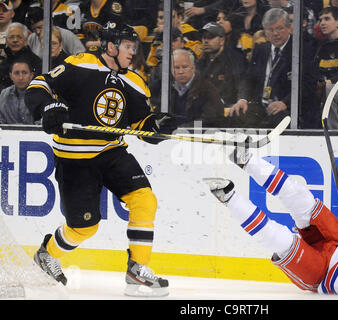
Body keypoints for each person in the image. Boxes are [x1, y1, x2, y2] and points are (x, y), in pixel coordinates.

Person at [25, 22, 176, 297]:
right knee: (84, 227)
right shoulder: (80, 64)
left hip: (111, 153)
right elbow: (39, 84)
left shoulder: (134, 81)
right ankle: (47, 254)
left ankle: (137, 268)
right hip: (74, 159)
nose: (133, 52)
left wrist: (157, 127)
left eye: (134, 47)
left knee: (145, 200)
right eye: (128, 47)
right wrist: (48, 107)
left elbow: (140, 125)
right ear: (110, 46)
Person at [203, 145, 338, 300]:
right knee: (301, 198)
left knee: (280, 238)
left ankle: (228, 197)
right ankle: (246, 159)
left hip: (322, 273)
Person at [227, 8, 292, 128]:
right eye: (270, 30)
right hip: (261, 106)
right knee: (236, 113)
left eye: (279, 28)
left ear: (289, 28)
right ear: (265, 32)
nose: (275, 33)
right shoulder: (261, 49)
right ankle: (240, 147)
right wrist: (242, 99)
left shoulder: (299, 50)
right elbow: (248, 79)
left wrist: (285, 103)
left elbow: (306, 86)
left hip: (285, 108)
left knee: (279, 119)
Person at [170, 48, 225, 127]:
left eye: (185, 67)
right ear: (171, 70)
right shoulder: (167, 89)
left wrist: (183, 128)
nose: (180, 72)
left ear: (193, 68)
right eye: (176, 68)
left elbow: (210, 120)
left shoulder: (207, 89)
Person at [198, 22, 247, 110]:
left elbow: (242, 82)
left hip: (228, 110)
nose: (205, 41)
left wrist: (241, 100)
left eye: (210, 37)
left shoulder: (235, 59)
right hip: (205, 110)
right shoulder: (201, 61)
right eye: (204, 37)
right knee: (195, 122)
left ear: (222, 40)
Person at [0, 22, 41, 90]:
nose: (15, 40)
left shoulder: (35, 61)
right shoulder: (5, 62)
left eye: (19, 37)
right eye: (11, 37)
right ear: (6, 40)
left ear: (25, 40)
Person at [0, 57, 36, 124]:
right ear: (11, 76)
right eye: (16, 73)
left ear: (31, 75)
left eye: (24, 73)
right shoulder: (4, 94)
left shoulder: (41, 94)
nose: (20, 77)